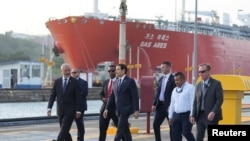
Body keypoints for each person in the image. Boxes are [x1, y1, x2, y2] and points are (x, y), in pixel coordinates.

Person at [103, 64, 140, 141]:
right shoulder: (115, 82)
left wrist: (136, 110)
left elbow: (135, 96)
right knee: (125, 129)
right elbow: (112, 96)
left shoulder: (130, 81)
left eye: (118, 69)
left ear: (123, 70)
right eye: (116, 69)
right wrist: (107, 108)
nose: (116, 71)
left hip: (126, 109)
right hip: (118, 110)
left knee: (120, 129)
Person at [47, 63, 82, 141]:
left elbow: (78, 97)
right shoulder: (57, 82)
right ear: (61, 71)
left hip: (70, 111)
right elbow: (52, 95)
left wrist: (78, 110)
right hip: (60, 111)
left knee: (63, 130)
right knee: (65, 131)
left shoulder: (75, 82)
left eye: (68, 70)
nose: (67, 72)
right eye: (65, 70)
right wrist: (49, 108)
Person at [190, 63, 223, 141]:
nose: (200, 73)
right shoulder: (198, 85)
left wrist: (213, 112)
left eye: (203, 71)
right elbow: (195, 101)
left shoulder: (216, 84)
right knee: (199, 138)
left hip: (211, 116)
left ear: (209, 71)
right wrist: (193, 115)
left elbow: (220, 99)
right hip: (200, 116)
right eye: (199, 72)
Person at [99, 65, 125, 141]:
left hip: (116, 110)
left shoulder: (119, 82)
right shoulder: (106, 82)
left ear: (116, 71)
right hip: (105, 109)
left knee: (121, 130)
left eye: (113, 71)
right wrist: (103, 99)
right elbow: (101, 94)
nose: (111, 72)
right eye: (109, 71)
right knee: (102, 130)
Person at [151, 61, 176, 141]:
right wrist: (154, 104)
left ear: (169, 67)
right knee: (155, 124)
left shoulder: (173, 79)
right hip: (160, 106)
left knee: (172, 126)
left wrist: (172, 105)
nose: (161, 69)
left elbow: (175, 93)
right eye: (161, 67)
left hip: (169, 106)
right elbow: (158, 93)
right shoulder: (161, 79)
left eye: (163, 67)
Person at [168, 72, 196, 141]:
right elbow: (172, 104)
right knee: (175, 134)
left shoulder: (190, 88)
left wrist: (192, 115)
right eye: (175, 80)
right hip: (176, 115)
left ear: (183, 79)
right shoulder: (174, 90)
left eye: (177, 80)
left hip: (186, 115)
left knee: (186, 132)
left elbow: (193, 102)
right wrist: (170, 116)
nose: (176, 82)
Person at [71, 68, 88, 141]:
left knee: (80, 124)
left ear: (78, 73)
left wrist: (72, 97)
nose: (73, 74)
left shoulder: (84, 82)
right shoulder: (69, 82)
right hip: (70, 107)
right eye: (72, 73)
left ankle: (80, 139)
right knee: (66, 125)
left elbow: (84, 94)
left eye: (75, 72)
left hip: (80, 107)